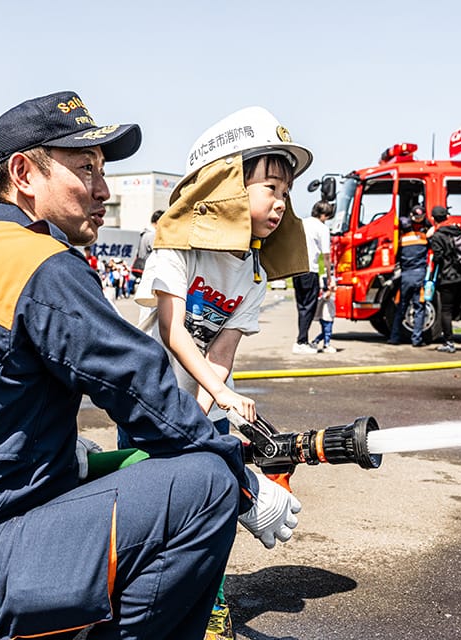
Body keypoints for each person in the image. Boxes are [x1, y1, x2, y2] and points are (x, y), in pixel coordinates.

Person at [0, 91, 300, 640]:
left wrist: (52, 451)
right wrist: (245, 484)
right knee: (207, 482)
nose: (103, 190)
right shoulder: (43, 265)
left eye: (103, 171)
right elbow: (141, 386)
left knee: (123, 468)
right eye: (85, 169)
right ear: (23, 174)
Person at [132, 106, 312, 639]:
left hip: (202, 403)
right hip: (149, 399)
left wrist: (206, 410)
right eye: (270, 188)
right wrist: (210, 400)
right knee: (148, 508)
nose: (280, 203)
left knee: (207, 511)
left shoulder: (254, 272)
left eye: (286, 192)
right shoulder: (175, 246)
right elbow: (173, 332)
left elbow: (223, 349)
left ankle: (208, 604)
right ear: (226, 186)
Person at [430, 205, 461, 353]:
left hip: (448, 277)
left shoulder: (438, 236)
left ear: (433, 219)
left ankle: (449, 342)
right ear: (447, 217)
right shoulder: (458, 231)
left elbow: (438, 258)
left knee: (446, 310)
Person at [291, 200, 335, 354]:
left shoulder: (301, 223)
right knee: (309, 307)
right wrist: (329, 277)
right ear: (324, 215)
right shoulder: (322, 228)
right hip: (310, 270)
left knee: (301, 306)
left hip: (296, 270)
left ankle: (301, 340)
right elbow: (326, 256)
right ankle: (301, 342)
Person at [387, 204, 431, 347]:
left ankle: (394, 337)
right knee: (419, 308)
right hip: (419, 275)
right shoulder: (425, 235)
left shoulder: (402, 235)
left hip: (405, 275)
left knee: (401, 307)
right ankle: (416, 339)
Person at [131, 208, 163, 279]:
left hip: (143, 266)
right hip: (149, 268)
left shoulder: (145, 233)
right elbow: (157, 252)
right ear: (158, 221)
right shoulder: (152, 234)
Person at [313, 275, 336, 353]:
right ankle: (326, 345)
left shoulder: (328, 294)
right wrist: (330, 288)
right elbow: (326, 296)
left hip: (328, 316)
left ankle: (315, 341)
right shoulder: (326, 294)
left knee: (324, 332)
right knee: (328, 332)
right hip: (326, 317)